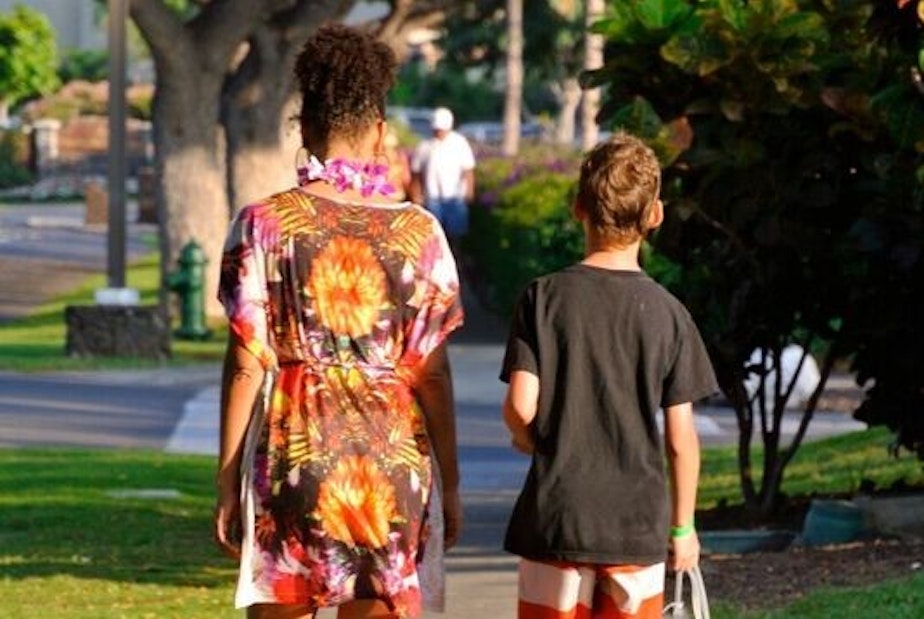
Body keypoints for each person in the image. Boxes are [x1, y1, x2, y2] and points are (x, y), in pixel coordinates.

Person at [214, 23, 464, 619]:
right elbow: (432, 376)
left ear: (304, 129)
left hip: (293, 454)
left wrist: (227, 480)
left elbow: (247, 363)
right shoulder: (419, 233)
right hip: (390, 464)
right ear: (380, 133)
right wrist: (449, 484)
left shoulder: (264, 225)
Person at [499, 132, 718, 618]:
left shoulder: (544, 298)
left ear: (578, 207)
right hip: (634, 528)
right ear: (655, 215)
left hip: (557, 520)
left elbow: (520, 405)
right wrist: (683, 528)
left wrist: (530, 439)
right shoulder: (669, 314)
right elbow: (680, 440)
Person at [409, 107, 476, 245]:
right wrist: (416, 195)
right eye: (436, 129)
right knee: (434, 237)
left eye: (441, 129)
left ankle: (457, 262)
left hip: (455, 197)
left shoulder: (459, 143)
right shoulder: (425, 146)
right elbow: (416, 173)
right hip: (432, 198)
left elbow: (468, 170)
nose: (438, 132)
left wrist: (469, 192)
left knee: (456, 236)